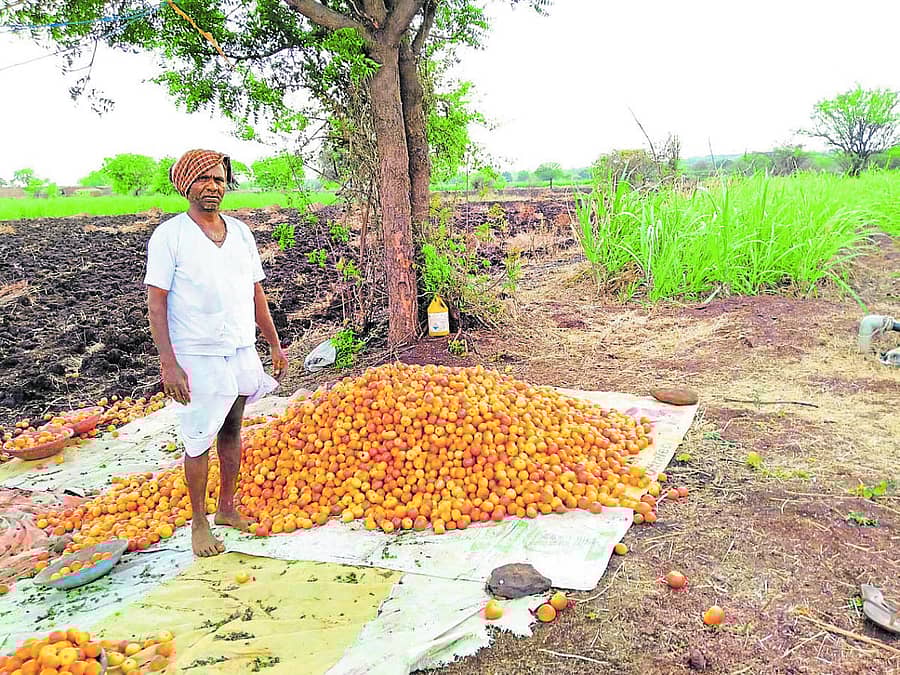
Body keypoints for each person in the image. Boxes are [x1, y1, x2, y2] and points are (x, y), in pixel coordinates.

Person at [144, 149, 288, 557]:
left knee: (232, 428)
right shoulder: (170, 236)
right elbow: (156, 303)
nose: (213, 187)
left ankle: (226, 507)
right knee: (198, 438)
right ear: (186, 185)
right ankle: (199, 523)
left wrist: (273, 342)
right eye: (204, 179)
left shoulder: (240, 233)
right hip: (196, 352)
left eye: (220, 179)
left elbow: (256, 292)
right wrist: (169, 363)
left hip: (239, 346)